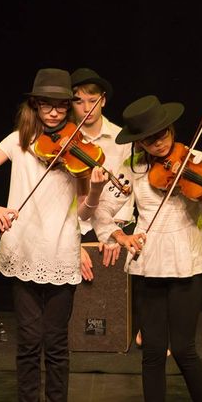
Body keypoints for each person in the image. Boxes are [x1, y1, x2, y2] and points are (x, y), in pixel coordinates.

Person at [0, 68, 91, 402]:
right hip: (23, 249)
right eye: (47, 104)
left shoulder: (76, 145)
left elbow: (82, 203)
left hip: (60, 249)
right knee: (28, 343)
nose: (54, 112)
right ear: (34, 105)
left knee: (55, 344)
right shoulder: (18, 142)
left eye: (61, 105)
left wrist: (91, 181)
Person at [93, 95, 202, 402]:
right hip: (148, 258)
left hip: (188, 256)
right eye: (150, 138)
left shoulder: (197, 161)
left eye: (163, 133)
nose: (159, 142)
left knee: (184, 348)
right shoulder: (132, 166)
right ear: (138, 141)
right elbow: (106, 213)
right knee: (152, 350)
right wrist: (121, 236)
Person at [69, 68, 133, 280]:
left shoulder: (120, 138)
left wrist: (114, 233)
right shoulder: (66, 139)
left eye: (92, 100)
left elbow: (126, 191)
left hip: (111, 226)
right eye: (79, 101)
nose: (87, 108)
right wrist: (70, 241)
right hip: (73, 226)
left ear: (103, 101)